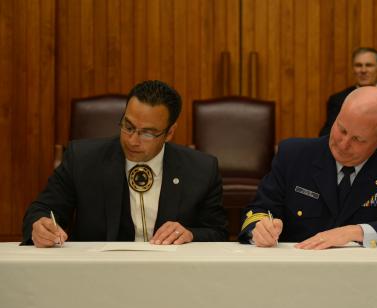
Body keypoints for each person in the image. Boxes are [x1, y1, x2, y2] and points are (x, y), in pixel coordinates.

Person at [22, 80, 228, 247]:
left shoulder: (201, 169)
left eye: (147, 133)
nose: (132, 140)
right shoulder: (82, 159)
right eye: (128, 126)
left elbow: (218, 233)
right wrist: (39, 226)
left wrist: (190, 234)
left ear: (170, 133)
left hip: (171, 278)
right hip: (98, 276)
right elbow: (41, 210)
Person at [239, 86, 377, 249]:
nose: (343, 144)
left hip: (367, 277)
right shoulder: (293, 155)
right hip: (298, 271)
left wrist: (354, 232)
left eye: (358, 139)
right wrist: (260, 229)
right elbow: (258, 210)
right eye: (342, 129)